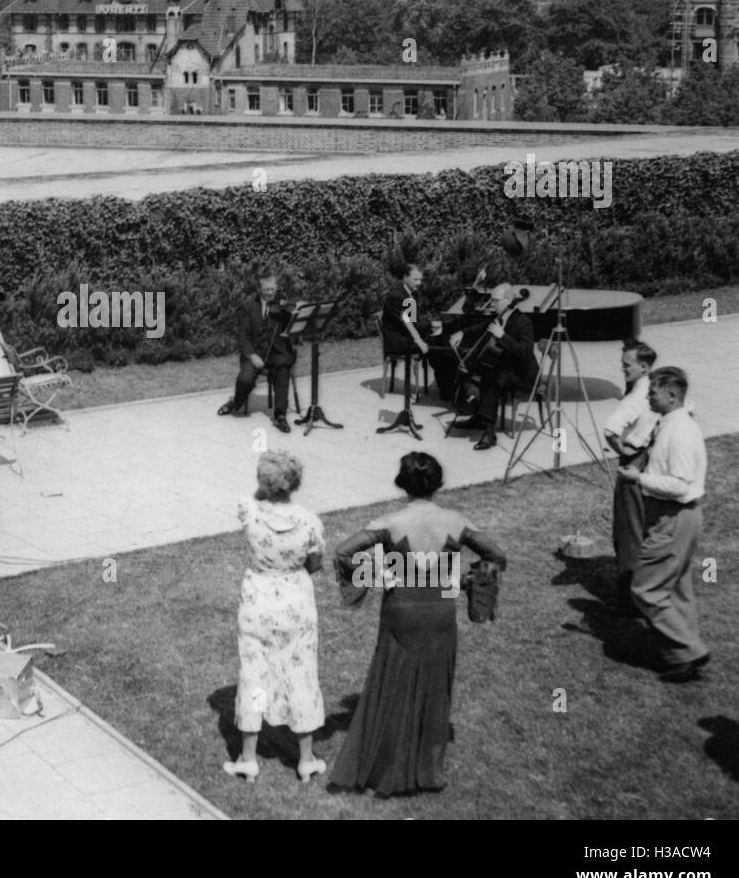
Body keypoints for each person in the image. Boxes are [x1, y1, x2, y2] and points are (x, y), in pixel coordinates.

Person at [330, 452, 506, 796]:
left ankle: (385, 762)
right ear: (438, 483)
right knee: (435, 686)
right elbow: (496, 556)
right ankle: (427, 770)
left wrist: (377, 574)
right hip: (439, 611)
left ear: (402, 482)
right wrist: (469, 582)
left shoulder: (389, 521)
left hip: (400, 609)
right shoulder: (456, 520)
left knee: (391, 680)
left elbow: (342, 553)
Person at [223, 450, 327, 784]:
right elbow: (314, 565)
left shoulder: (250, 511)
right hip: (296, 604)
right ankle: (306, 759)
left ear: (264, 481)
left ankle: (248, 759)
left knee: (254, 676)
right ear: (295, 483)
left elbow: (250, 498)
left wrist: (262, 489)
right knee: (301, 674)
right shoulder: (310, 520)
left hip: (257, 603)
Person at [618, 367, 709, 683]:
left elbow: (680, 485)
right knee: (677, 588)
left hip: (673, 515)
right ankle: (684, 658)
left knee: (645, 589)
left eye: (653, 393)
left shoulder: (680, 431)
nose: (648, 397)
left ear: (671, 396)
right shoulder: (671, 423)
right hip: (678, 517)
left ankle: (688, 649)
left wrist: (638, 478)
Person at [602, 340, 659, 614]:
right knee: (647, 526)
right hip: (654, 460)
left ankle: (629, 599)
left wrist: (622, 449)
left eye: (627, 365)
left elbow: (611, 429)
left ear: (644, 366)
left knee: (628, 529)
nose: (622, 369)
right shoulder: (658, 387)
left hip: (634, 459)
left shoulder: (636, 396)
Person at [445, 282, 538, 451]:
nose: (492, 304)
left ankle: (489, 433)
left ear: (509, 299)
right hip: (506, 366)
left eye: (496, 300)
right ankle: (478, 417)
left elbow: (525, 352)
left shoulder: (523, 322)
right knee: (477, 369)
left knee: (493, 380)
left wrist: (502, 336)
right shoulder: (499, 317)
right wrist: (462, 333)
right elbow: (482, 327)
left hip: (522, 372)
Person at [217, 266, 297, 433]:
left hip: (276, 353)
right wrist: (252, 356)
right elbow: (242, 336)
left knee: (283, 368)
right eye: (267, 289)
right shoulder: (248, 306)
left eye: (273, 289)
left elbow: (292, 329)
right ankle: (235, 403)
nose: (270, 293)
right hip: (254, 353)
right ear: (259, 289)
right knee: (245, 379)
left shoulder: (282, 306)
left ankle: (280, 415)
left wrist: (292, 312)